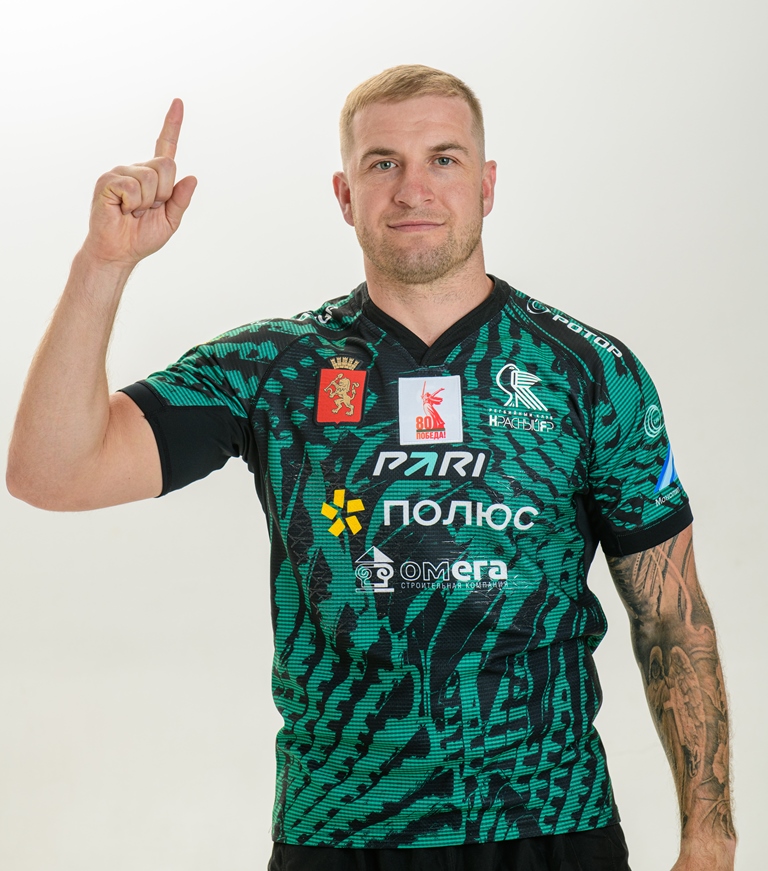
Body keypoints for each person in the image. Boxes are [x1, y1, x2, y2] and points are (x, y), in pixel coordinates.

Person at [6, 65, 735, 871]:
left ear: (487, 184)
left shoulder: (590, 371)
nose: (413, 189)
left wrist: (710, 841)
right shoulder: (277, 368)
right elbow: (51, 471)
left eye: (444, 159)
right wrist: (103, 264)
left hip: (551, 824)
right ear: (344, 194)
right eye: (383, 163)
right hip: (339, 832)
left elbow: (673, 616)